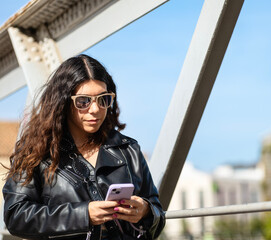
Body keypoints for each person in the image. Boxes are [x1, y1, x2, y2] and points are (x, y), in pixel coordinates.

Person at [2, 54, 165, 240]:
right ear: (63, 102)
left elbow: (157, 213)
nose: (95, 109)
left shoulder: (129, 150)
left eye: (103, 99)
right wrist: (83, 215)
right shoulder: (37, 151)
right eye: (83, 101)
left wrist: (145, 211)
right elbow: (16, 216)